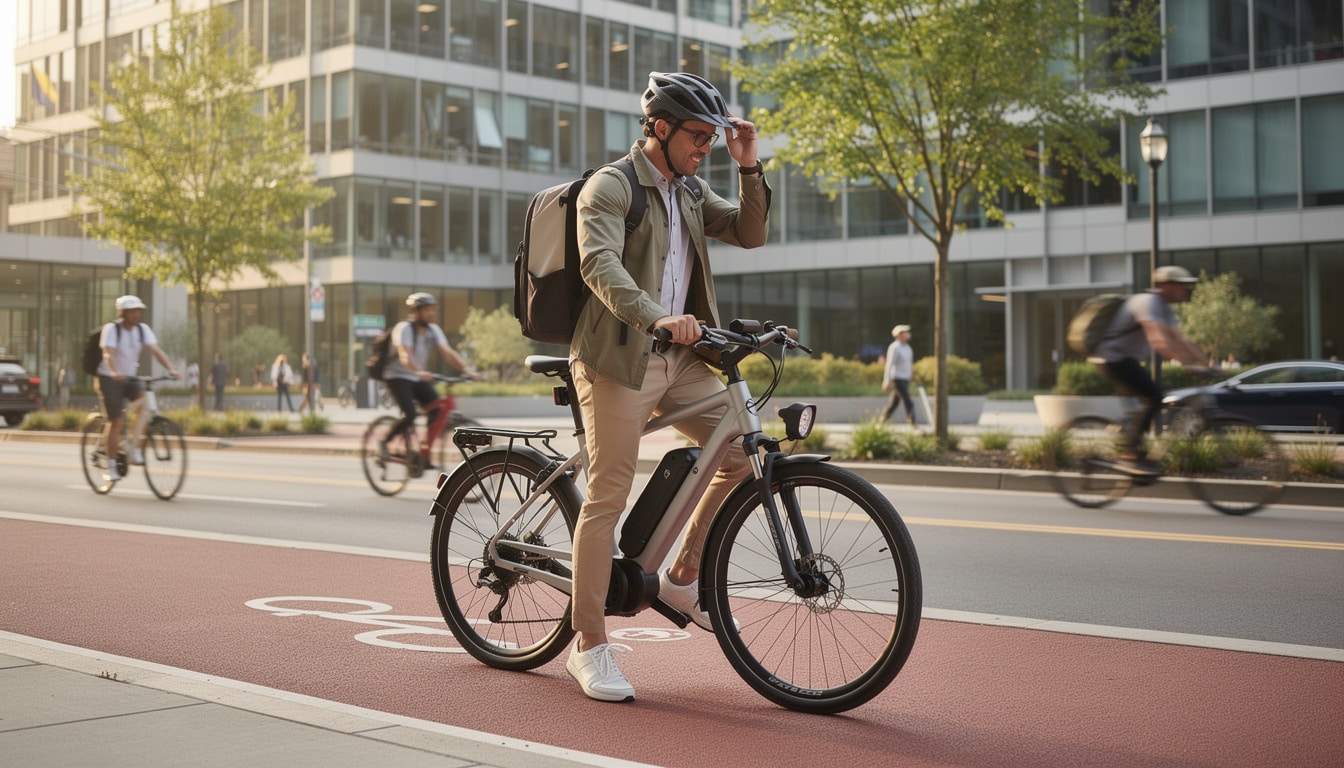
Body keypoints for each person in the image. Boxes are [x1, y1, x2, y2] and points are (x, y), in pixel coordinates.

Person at [563, 72, 770, 703]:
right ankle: (589, 643)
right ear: (658, 127)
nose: (705, 146)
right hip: (619, 358)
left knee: (738, 453)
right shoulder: (611, 186)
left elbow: (750, 232)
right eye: (697, 136)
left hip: (680, 358)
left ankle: (681, 578)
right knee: (609, 491)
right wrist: (655, 314)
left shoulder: (689, 190)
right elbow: (599, 264)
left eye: (712, 137)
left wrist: (749, 166)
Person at [1091, 265, 1210, 474]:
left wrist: (1209, 364)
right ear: (1166, 286)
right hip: (1111, 358)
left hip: (1125, 360)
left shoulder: (1165, 307)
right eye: (1181, 286)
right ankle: (1130, 454)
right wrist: (1186, 364)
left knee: (1148, 402)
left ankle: (1133, 447)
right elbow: (1159, 340)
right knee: (1154, 397)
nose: (1185, 290)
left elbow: (1179, 339)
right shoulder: (1148, 302)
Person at [380, 292, 481, 457]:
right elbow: (405, 354)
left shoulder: (433, 330)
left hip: (417, 377)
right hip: (397, 377)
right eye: (426, 310)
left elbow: (447, 353)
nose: (431, 313)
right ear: (416, 312)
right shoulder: (404, 328)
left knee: (437, 410)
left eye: (432, 310)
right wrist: (418, 371)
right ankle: (384, 442)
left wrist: (466, 370)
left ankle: (424, 452)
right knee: (410, 414)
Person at [95, 295, 179, 481]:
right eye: (133, 311)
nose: (137, 315)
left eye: (138, 311)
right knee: (115, 421)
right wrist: (114, 372)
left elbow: (156, 351)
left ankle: (132, 447)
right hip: (109, 377)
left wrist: (171, 369)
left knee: (145, 405)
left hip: (130, 378)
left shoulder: (142, 330)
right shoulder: (111, 329)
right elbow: (108, 354)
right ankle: (111, 467)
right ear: (123, 313)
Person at [880, 324, 916, 426]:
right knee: (908, 401)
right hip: (897, 378)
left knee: (895, 403)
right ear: (899, 335)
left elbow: (908, 363)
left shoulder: (908, 348)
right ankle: (913, 422)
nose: (907, 334)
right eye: (905, 332)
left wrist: (911, 373)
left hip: (905, 378)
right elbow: (889, 364)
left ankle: (883, 420)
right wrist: (886, 381)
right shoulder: (894, 347)